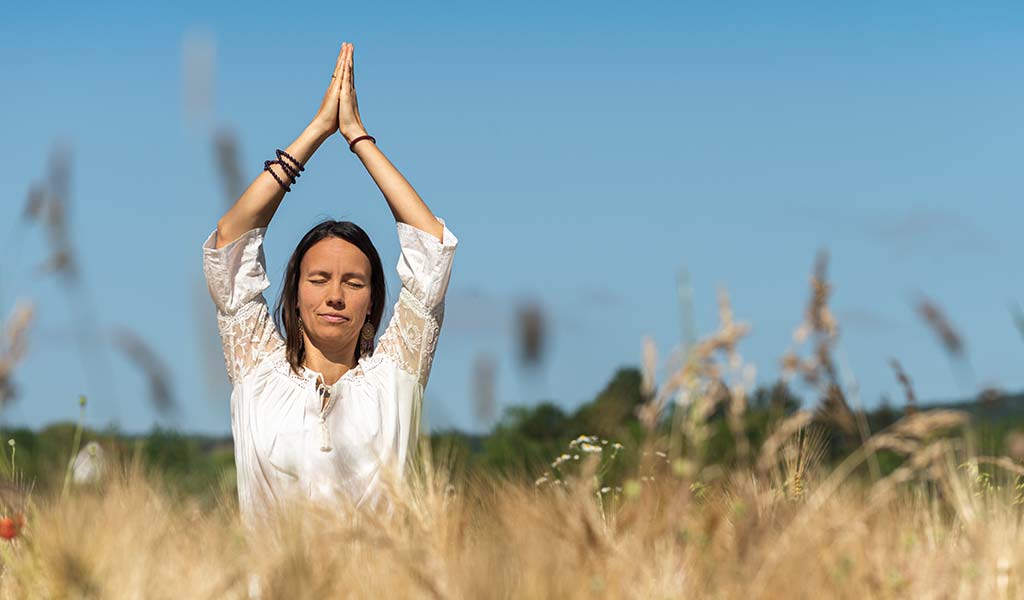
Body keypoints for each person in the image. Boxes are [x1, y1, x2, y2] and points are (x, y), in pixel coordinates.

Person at [201, 42, 458, 532]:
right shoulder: (255, 369)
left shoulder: (396, 377)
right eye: (318, 279)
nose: (335, 295)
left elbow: (431, 247)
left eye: (353, 282)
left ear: (372, 303)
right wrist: (317, 131)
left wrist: (358, 137)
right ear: (294, 294)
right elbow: (229, 245)